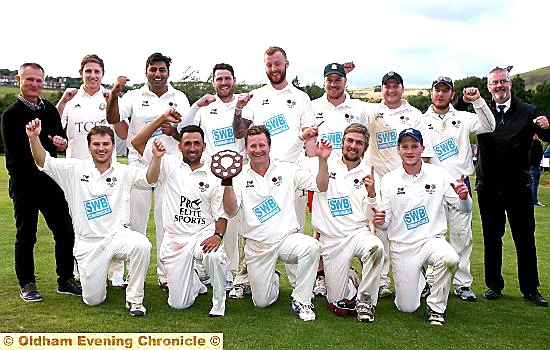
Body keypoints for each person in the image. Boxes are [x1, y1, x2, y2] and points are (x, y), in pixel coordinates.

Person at [26, 122, 153, 316]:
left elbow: (150, 179)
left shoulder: (123, 171)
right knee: (93, 300)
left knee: (142, 245)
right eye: (96, 144)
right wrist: (34, 137)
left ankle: (135, 299)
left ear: (112, 145)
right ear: (89, 147)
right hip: (88, 243)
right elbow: (44, 161)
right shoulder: (74, 169)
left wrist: (157, 159)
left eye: (106, 144)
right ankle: (97, 278)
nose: (101, 148)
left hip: (116, 236)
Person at [230, 46, 320, 298]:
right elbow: (240, 132)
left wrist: (314, 165)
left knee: (295, 230)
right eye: (269, 65)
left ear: (286, 64)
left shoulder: (301, 98)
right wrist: (238, 109)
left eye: (277, 64)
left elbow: (310, 139)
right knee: (254, 226)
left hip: (291, 174)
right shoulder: (255, 97)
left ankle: (298, 285)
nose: (273, 69)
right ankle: (247, 277)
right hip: (258, 171)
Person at [456, 66, 550, 307]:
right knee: (492, 238)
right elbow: (454, 114)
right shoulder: (481, 112)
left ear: (510, 85)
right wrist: (463, 99)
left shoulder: (528, 112)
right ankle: (494, 285)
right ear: (488, 88)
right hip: (488, 187)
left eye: (503, 82)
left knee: (524, 238)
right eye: (494, 83)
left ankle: (530, 288)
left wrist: (547, 126)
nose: (499, 86)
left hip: (518, 187)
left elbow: (549, 137)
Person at [222, 125, 332, 321]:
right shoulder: (238, 176)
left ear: (269, 146)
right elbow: (231, 211)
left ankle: (302, 300)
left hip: (286, 239)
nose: (257, 150)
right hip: (257, 246)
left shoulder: (287, 170)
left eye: (261, 145)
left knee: (312, 246)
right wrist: (227, 182)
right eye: (252, 146)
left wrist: (323, 161)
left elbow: (321, 185)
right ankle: (271, 276)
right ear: (246, 149)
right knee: (262, 302)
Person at [106, 52, 191, 292]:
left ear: (168, 73)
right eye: (153, 69)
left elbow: (185, 134)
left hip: (169, 165)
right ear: (146, 71)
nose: (157, 74)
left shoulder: (180, 97)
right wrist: (114, 93)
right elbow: (113, 118)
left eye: (162, 70)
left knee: (168, 223)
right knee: (135, 223)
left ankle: (167, 275)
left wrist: (172, 132)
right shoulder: (133, 96)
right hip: (139, 164)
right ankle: (135, 275)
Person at [131, 111, 229, 317]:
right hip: (176, 239)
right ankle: (194, 282)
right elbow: (137, 142)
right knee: (178, 304)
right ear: (180, 146)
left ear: (203, 146)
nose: (192, 148)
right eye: (187, 144)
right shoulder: (168, 163)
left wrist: (217, 235)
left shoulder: (214, 173)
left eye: (196, 143)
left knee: (215, 257)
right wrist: (161, 119)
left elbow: (222, 214)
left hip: (203, 235)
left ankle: (219, 303)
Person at [372, 128, 471, 326]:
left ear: (422, 149)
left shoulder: (439, 174)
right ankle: (422, 280)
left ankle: (436, 308)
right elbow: (386, 225)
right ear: (398, 150)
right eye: (405, 147)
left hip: (432, 240)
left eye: (414, 146)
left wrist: (464, 197)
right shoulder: (389, 180)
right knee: (407, 307)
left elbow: (464, 209)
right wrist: (380, 221)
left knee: (450, 259)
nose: (410, 151)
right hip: (403, 247)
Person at [0, 63, 82, 302]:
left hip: (51, 183)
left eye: (38, 80)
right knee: (27, 235)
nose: (35, 84)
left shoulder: (49, 109)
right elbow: (17, 154)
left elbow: (60, 138)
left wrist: (60, 142)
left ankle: (65, 280)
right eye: (30, 80)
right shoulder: (11, 114)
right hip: (25, 184)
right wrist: (41, 147)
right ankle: (27, 283)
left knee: (65, 232)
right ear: (19, 80)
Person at [55, 54, 127, 287]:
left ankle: (115, 274)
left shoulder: (110, 98)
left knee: (113, 221)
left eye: (97, 71)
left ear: (102, 74)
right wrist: (62, 103)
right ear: (81, 73)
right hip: (78, 173)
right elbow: (56, 128)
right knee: (79, 223)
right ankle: (81, 269)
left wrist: (114, 99)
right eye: (88, 71)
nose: (93, 76)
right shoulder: (71, 99)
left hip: (108, 173)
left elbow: (123, 132)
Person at [422, 77, 495, 302]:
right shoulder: (421, 120)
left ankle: (463, 284)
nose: (441, 94)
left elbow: (489, 125)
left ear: (452, 94)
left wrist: (479, 101)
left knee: (462, 236)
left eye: (446, 90)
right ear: (431, 93)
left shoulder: (462, 118)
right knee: (432, 236)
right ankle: (430, 281)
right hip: (432, 186)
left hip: (460, 184)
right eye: (437, 90)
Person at [364, 71, 433, 298]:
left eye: (396, 86)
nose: (391, 90)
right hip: (380, 182)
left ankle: (422, 279)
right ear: (382, 89)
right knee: (379, 232)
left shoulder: (414, 114)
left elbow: (424, 151)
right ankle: (382, 281)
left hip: (406, 181)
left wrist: (418, 182)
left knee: (412, 229)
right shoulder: (373, 112)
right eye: (387, 86)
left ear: (402, 88)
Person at [181, 63, 250, 290]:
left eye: (227, 78)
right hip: (210, 174)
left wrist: (238, 110)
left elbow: (241, 133)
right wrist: (197, 103)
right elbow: (186, 129)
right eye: (219, 79)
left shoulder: (244, 105)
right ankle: (205, 270)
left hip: (236, 174)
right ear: (213, 82)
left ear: (234, 80)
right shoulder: (205, 110)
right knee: (207, 220)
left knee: (231, 221)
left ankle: (229, 271)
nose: (223, 83)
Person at [308, 123, 384, 322]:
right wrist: (307, 139)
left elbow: (370, 215)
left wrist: (371, 194)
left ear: (365, 148)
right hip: (331, 241)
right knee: (336, 300)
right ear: (342, 142)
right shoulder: (325, 162)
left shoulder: (370, 174)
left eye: (359, 143)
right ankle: (351, 277)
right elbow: (301, 161)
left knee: (375, 248)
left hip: (357, 233)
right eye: (349, 140)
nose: (353, 146)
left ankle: (365, 300)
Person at [310, 62, 373, 297]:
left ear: (346, 82)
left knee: (358, 220)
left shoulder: (358, 107)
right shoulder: (313, 106)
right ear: (324, 81)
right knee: (320, 225)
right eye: (329, 80)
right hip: (325, 171)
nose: (333, 84)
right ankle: (320, 276)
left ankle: (369, 275)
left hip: (353, 172)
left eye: (338, 79)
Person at [530, 134, 545, 207]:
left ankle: (529, 200)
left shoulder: (527, 142)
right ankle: (534, 200)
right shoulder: (537, 143)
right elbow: (541, 154)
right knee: (534, 184)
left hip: (528, 166)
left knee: (528, 184)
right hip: (535, 166)